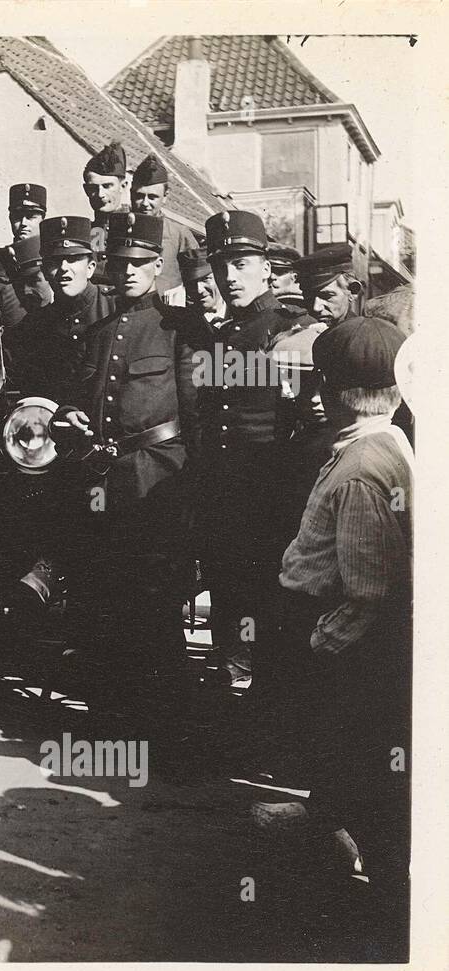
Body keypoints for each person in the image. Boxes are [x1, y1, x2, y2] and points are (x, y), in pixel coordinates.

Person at [257, 317, 412, 886]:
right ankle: (329, 821)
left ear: (336, 394)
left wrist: (320, 646)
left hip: (338, 635)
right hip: (343, 633)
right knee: (338, 750)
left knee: (351, 750)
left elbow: (369, 589)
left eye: (318, 381)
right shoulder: (384, 440)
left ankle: (377, 874)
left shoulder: (358, 471)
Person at [56, 211, 198, 729]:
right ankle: (112, 711)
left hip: (160, 476)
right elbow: (81, 401)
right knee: (106, 594)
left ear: (157, 265)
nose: (129, 272)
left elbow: (192, 411)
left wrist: (188, 483)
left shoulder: (175, 327)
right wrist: (68, 416)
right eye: (120, 264)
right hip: (106, 477)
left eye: (139, 263)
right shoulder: (97, 333)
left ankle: (171, 720)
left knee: (157, 603)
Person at [192, 209, 300, 688]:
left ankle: (260, 714)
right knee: (226, 597)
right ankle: (227, 691)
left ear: (266, 267)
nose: (228, 276)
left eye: (240, 263)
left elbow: (304, 426)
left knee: (264, 610)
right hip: (220, 495)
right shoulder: (219, 335)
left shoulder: (290, 331)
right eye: (221, 265)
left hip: (267, 497)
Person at [8, 215, 111, 402]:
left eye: (73, 259)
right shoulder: (34, 326)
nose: (64, 268)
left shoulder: (114, 309)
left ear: (90, 267)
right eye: (55, 261)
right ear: (46, 271)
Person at [129, 154, 198, 297]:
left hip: (168, 312)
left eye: (153, 197)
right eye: (139, 196)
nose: (145, 203)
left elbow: (197, 277)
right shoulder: (120, 229)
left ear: (165, 196)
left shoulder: (179, 234)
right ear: (131, 194)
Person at [82, 141, 129, 279]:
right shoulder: (84, 232)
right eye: (93, 188)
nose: (100, 194)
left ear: (123, 186)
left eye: (107, 186)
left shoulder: (139, 228)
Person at [298, 242, 366, 327]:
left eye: (327, 296)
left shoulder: (363, 336)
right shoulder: (299, 335)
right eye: (309, 298)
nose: (316, 308)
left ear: (352, 292)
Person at [0, 235, 54, 317]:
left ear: (52, 277)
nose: (26, 291)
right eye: (19, 285)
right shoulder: (20, 328)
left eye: (33, 281)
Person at [176, 246, 224, 323]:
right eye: (191, 283)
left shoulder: (241, 311)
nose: (199, 289)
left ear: (219, 277)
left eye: (205, 279)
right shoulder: (182, 322)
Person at [266, 242, 307, 313]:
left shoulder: (302, 305)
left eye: (279, 272)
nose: (272, 277)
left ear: (295, 277)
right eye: (268, 271)